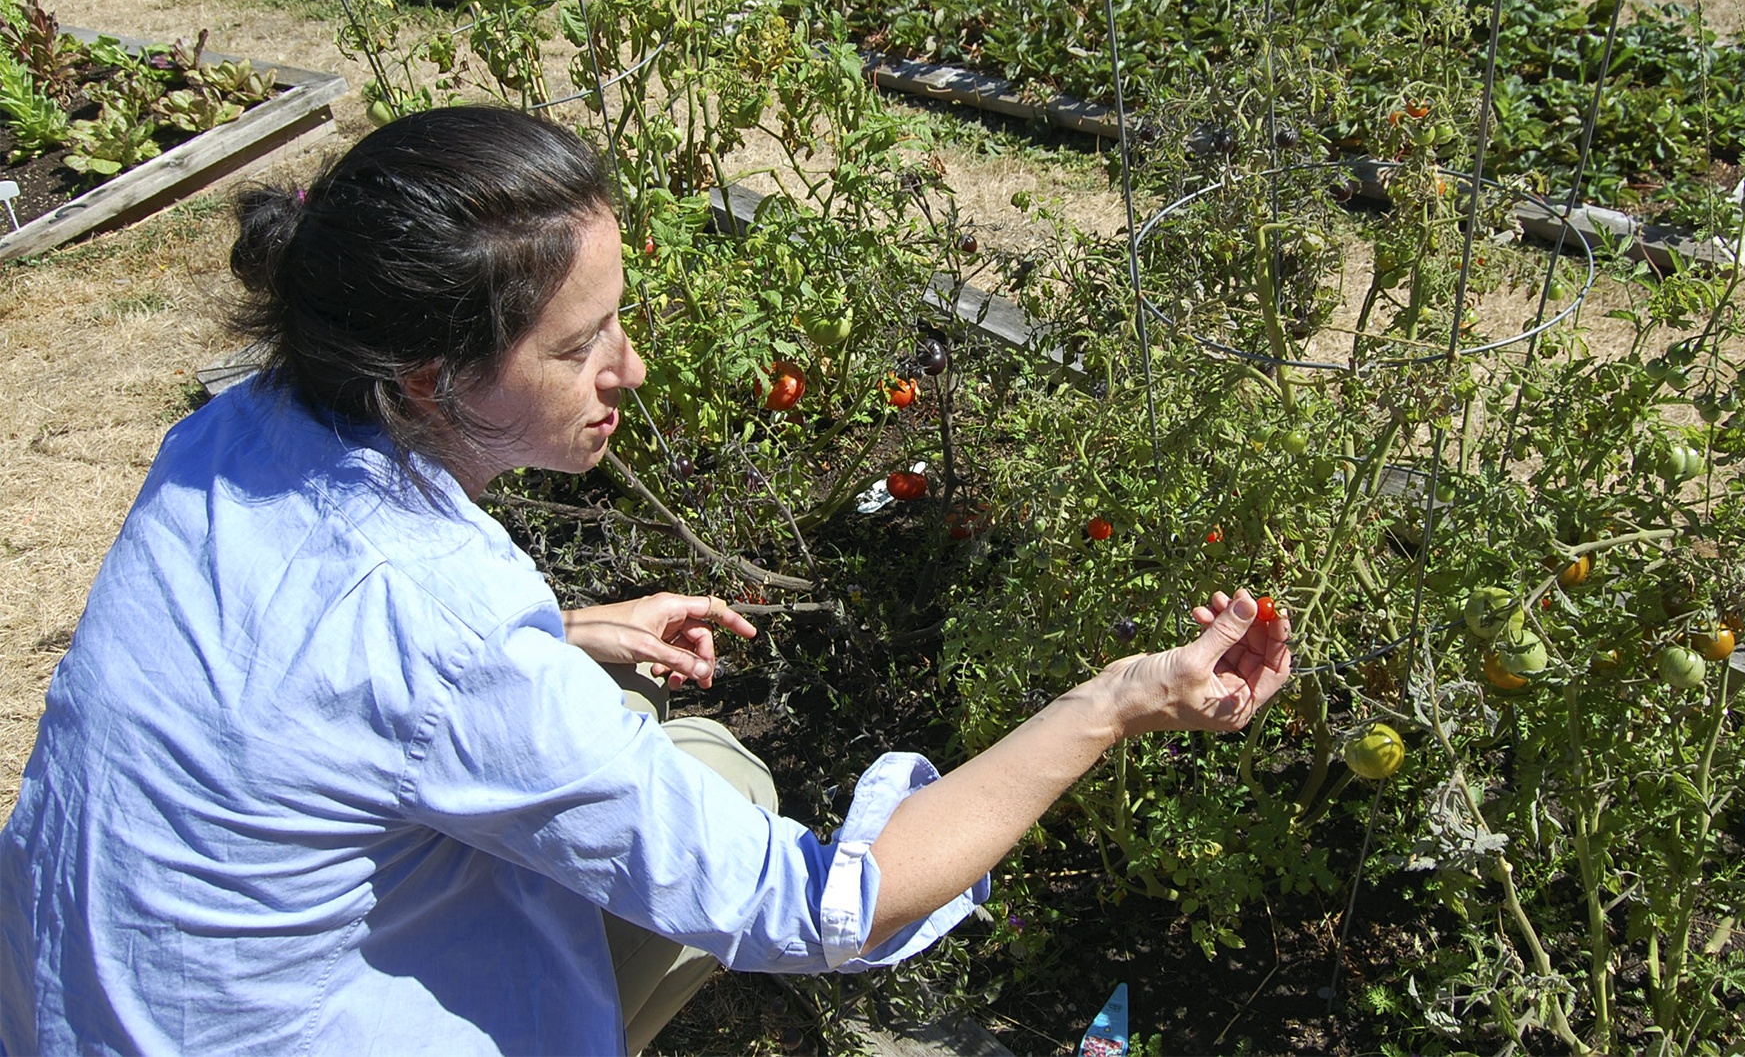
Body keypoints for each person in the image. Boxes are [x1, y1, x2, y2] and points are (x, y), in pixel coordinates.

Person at [0, 106, 1290, 1055]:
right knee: (720, 782)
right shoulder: (438, 619)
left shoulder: (233, 434)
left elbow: (296, 683)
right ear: (424, 381)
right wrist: (1117, 701)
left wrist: (557, 635)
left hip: (82, 1016)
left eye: (617, 313)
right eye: (578, 345)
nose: (626, 367)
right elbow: (824, 907)